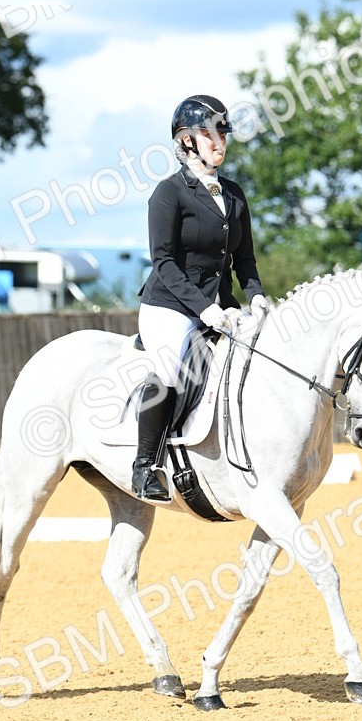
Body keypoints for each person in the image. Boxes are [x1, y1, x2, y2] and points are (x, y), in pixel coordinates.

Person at [132, 93, 268, 502]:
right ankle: (145, 466)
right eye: (211, 133)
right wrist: (204, 308)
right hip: (169, 305)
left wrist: (257, 296)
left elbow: (244, 259)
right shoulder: (169, 193)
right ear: (187, 141)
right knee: (172, 369)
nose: (220, 141)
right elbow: (163, 263)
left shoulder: (234, 194)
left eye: (224, 133)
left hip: (220, 305)